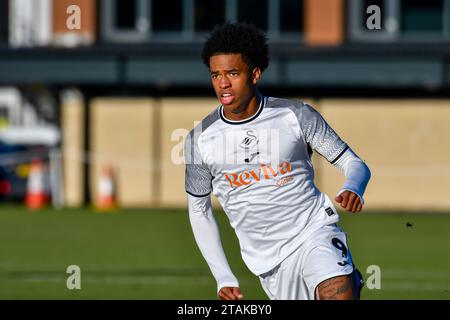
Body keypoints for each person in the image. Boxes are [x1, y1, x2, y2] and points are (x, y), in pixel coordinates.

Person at [184, 22, 371, 300]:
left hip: (314, 231)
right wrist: (223, 276)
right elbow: (199, 210)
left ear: (255, 74)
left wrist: (353, 187)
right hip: (268, 262)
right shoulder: (198, 140)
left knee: (337, 293)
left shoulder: (296, 115)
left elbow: (355, 164)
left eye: (233, 73)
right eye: (216, 75)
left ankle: (345, 278)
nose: (223, 83)